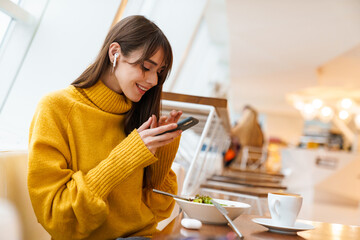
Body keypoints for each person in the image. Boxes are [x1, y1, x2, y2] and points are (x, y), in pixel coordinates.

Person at [27, 15, 183, 240]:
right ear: (115, 53)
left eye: (159, 72)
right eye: (146, 67)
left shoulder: (140, 114)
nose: (153, 81)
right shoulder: (56, 108)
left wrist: (164, 148)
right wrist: (127, 156)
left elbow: (157, 210)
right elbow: (58, 217)